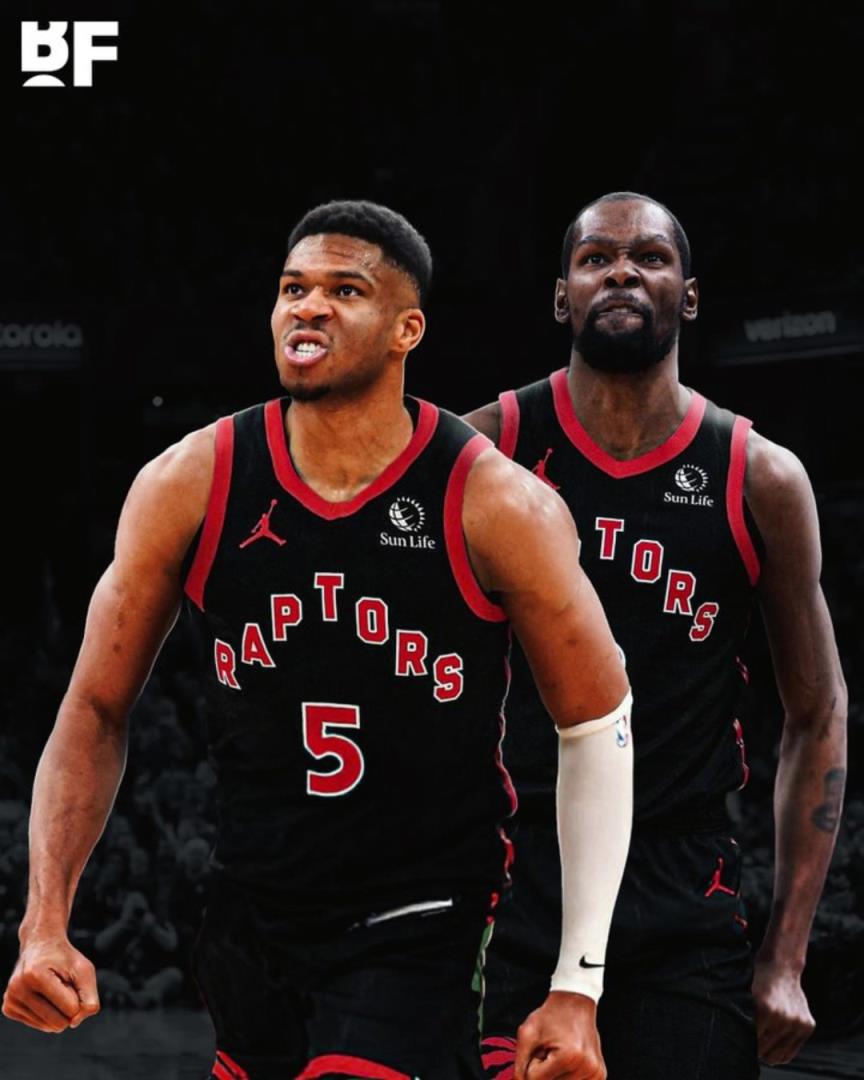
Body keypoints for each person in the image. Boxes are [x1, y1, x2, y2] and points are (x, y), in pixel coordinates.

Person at [3, 200, 633, 1080]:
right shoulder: (191, 482)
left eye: (346, 290)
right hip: (248, 918)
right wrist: (43, 922)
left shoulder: (495, 502)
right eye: (294, 288)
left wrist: (579, 982)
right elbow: (96, 708)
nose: (309, 307)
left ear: (407, 330)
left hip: (423, 917)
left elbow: (597, 725)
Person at [465, 191, 848, 1079]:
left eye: (650, 257)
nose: (623, 273)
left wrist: (787, 956)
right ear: (562, 296)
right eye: (596, 258)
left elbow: (819, 711)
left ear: (691, 294)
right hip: (516, 882)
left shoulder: (759, 478)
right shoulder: (487, 450)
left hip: (681, 895)